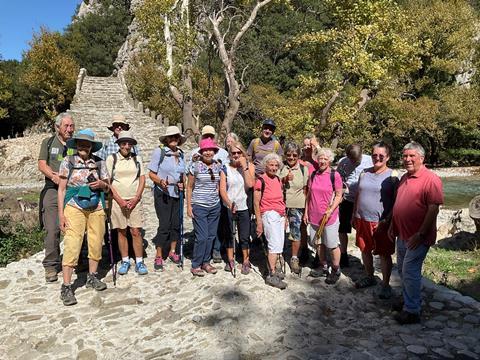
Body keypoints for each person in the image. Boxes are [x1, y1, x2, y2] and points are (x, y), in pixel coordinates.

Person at [390, 142, 443, 324]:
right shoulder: (405, 177)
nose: (407, 159)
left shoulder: (431, 179)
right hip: (402, 234)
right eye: (405, 156)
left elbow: (433, 209)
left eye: (412, 156)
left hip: (418, 237)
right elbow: (399, 205)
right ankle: (408, 299)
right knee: (403, 271)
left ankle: (412, 311)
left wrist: (420, 234)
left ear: (422, 158)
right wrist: (392, 226)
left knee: (410, 271)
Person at [57, 129, 110, 306]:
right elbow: (62, 189)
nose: (84, 146)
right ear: (76, 144)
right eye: (81, 143)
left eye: (87, 144)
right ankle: (66, 286)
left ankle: (92, 277)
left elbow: (108, 187)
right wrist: (61, 214)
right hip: (74, 206)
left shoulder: (100, 163)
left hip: (96, 206)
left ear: (92, 147)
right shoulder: (68, 161)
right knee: (72, 242)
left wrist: (102, 184)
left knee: (95, 241)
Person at [352, 142, 398, 298]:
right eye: (374, 155)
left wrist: (387, 220)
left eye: (381, 156)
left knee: (384, 253)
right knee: (365, 249)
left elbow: (397, 201)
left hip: (381, 222)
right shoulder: (364, 173)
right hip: (362, 218)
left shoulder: (392, 176)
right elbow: (358, 194)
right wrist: (354, 214)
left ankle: (385, 285)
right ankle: (369, 276)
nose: (377, 158)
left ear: (388, 157)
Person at [38, 113, 75, 282]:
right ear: (57, 127)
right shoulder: (48, 143)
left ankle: (77, 259)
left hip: (73, 189)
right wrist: (54, 177)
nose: (69, 129)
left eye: (71, 126)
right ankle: (51, 265)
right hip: (52, 188)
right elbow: (42, 164)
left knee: (76, 226)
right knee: (52, 228)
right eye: (66, 126)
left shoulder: (77, 144)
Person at [106, 131, 147, 275]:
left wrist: (136, 198)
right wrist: (119, 200)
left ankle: (139, 261)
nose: (127, 146)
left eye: (129, 143)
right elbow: (108, 182)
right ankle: (125, 260)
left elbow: (142, 179)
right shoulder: (112, 159)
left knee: (136, 231)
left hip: (134, 200)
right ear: (119, 144)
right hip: (118, 201)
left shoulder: (137, 159)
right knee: (121, 231)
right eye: (124, 143)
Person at [188, 125, 229, 263]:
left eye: (211, 150)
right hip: (199, 205)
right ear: (201, 151)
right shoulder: (195, 166)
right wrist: (189, 206)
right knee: (202, 236)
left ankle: (206, 262)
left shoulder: (218, 165)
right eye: (205, 150)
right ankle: (196, 263)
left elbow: (219, 183)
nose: (208, 153)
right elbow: (189, 187)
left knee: (211, 235)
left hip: (214, 206)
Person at [148, 126, 186, 271]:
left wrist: (184, 184)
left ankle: (172, 251)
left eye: (176, 137)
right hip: (162, 193)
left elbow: (182, 175)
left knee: (176, 224)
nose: (174, 139)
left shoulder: (181, 154)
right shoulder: (160, 152)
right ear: (166, 139)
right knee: (164, 224)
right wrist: (160, 181)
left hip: (177, 193)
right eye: (171, 137)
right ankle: (159, 255)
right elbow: (151, 173)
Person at [304, 148, 343, 284]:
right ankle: (323, 266)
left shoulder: (335, 175)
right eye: (320, 158)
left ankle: (336, 269)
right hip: (314, 215)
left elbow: (339, 195)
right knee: (318, 243)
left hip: (329, 217)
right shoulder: (313, 175)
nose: (322, 161)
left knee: (332, 244)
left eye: (325, 159)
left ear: (329, 160)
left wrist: (331, 209)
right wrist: (306, 212)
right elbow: (308, 195)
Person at [219, 141, 255, 274]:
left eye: (239, 153)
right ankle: (230, 259)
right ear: (229, 154)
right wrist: (229, 203)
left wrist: (244, 165)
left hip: (244, 206)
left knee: (245, 235)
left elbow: (250, 184)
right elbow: (222, 190)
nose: (236, 155)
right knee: (229, 234)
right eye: (233, 153)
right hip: (229, 205)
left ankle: (246, 260)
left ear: (243, 153)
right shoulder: (225, 168)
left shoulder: (249, 167)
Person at [254, 153, 287, 289]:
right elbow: (256, 203)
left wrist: (285, 216)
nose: (273, 168)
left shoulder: (278, 179)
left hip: (280, 214)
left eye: (276, 165)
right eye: (271, 165)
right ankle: (271, 274)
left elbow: (281, 198)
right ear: (265, 165)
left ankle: (274, 270)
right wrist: (259, 222)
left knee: (279, 243)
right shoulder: (260, 180)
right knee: (273, 244)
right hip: (268, 213)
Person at [336, 144, 373, 267]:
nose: (354, 162)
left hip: (364, 200)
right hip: (347, 199)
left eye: (356, 160)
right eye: (352, 159)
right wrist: (340, 189)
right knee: (343, 228)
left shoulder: (370, 160)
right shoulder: (343, 162)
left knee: (362, 229)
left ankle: (365, 255)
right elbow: (338, 177)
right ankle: (344, 254)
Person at [279, 142, 309, 275]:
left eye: (294, 155)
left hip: (297, 205)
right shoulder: (280, 167)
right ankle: (278, 255)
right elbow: (274, 184)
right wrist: (284, 179)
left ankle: (294, 258)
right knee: (279, 232)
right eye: (289, 155)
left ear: (299, 156)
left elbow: (306, 190)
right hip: (280, 205)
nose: (291, 157)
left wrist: (306, 209)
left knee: (296, 231)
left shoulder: (304, 169)